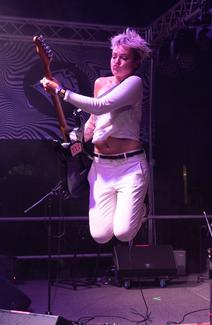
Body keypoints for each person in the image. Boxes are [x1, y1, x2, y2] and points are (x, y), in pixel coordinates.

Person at [41, 28, 151, 244]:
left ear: (136, 62)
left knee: (124, 233)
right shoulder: (100, 83)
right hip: (101, 168)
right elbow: (94, 119)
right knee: (100, 236)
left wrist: (61, 92)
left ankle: (142, 209)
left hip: (129, 167)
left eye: (124, 58)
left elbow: (102, 106)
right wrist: (76, 138)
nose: (116, 62)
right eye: (114, 56)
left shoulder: (134, 83)